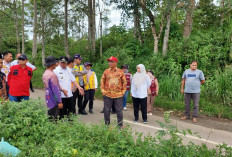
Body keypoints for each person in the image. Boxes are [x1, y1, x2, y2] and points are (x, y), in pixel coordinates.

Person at [100, 56, 127, 128]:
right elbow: (102, 81)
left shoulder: (120, 72)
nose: (109, 63)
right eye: (109, 61)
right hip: (107, 95)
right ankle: (107, 125)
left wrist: (123, 92)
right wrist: (103, 91)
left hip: (118, 95)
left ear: (115, 63)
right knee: (107, 110)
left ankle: (120, 125)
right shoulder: (106, 71)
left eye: (111, 62)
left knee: (119, 111)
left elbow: (124, 82)